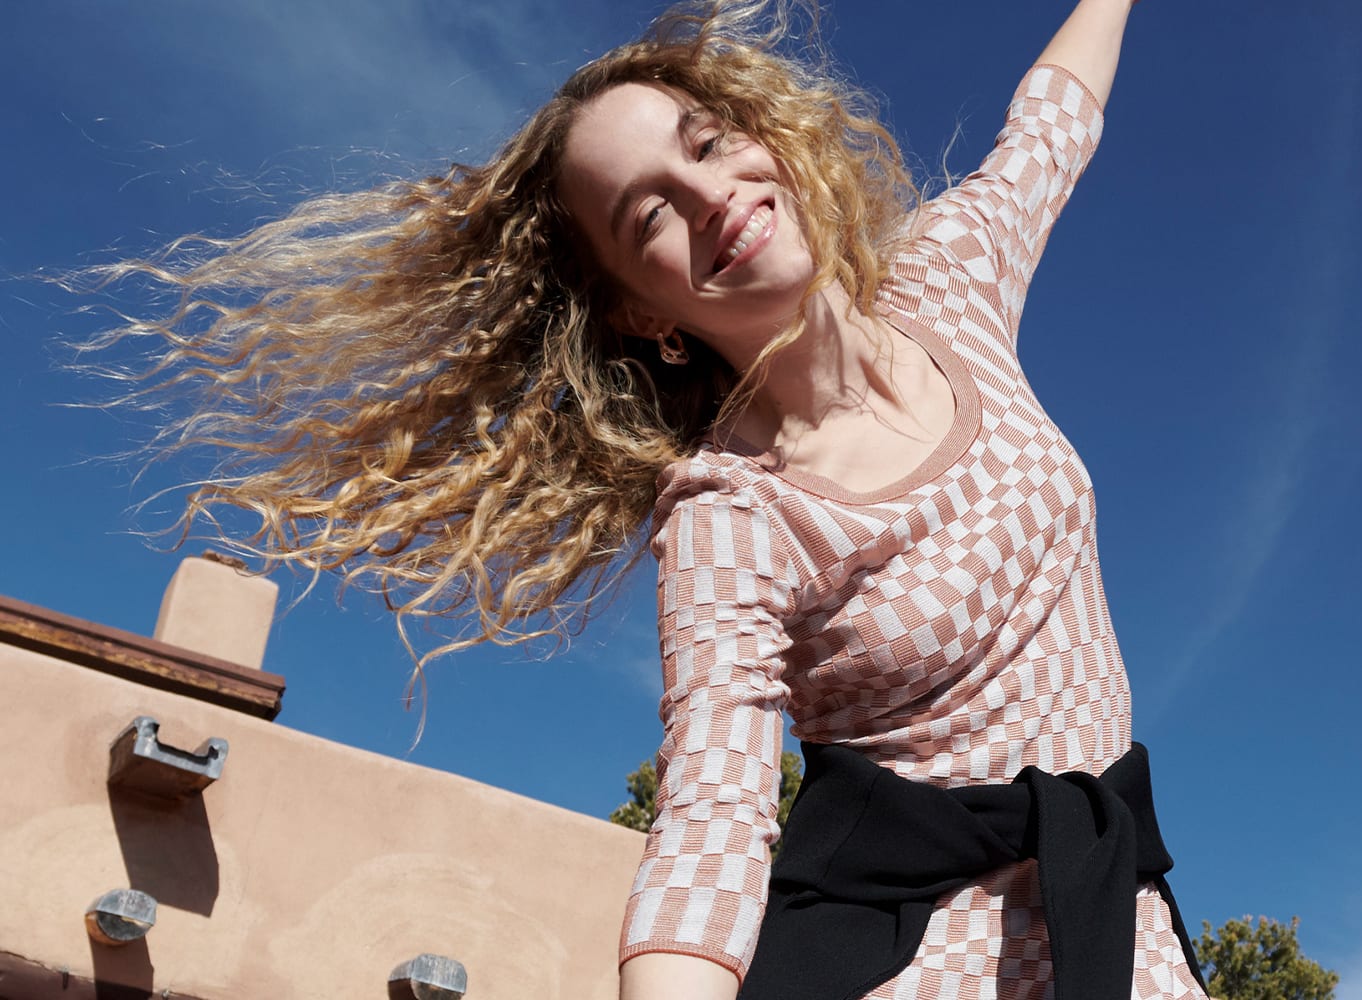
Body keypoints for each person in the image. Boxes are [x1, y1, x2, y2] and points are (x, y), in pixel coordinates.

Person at [72, 1, 1192, 998]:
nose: (712, 197)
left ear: (770, 140)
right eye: (650, 214)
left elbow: (1050, 127)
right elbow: (714, 811)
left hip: (1117, 924)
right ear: (636, 311)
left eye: (707, 145)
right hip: (922, 961)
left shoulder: (947, 285)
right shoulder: (735, 514)